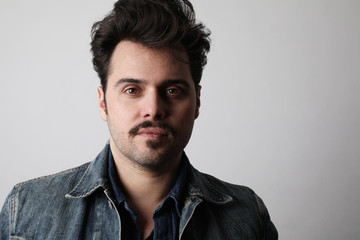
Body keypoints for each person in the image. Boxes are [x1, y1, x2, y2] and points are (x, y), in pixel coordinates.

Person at [0, 0, 278, 239]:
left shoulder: (246, 217)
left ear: (197, 101)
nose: (153, 109)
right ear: (103, 101)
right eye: (132, 90)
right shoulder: (25, 211)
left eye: (172, 90)